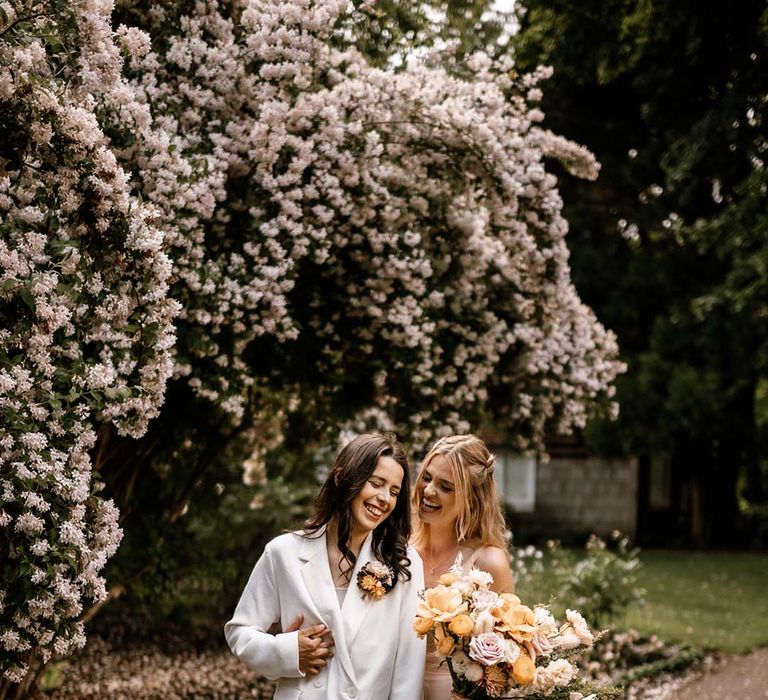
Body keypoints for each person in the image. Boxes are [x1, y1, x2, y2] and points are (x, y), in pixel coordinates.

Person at [225, 433, 426, 700]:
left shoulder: (404, 564)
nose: (384, 499)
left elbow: (408, 670)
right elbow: (240, 632)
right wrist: (288, 652)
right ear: (343, 478)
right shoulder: (283, 553)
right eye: (376, 484)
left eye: (394, 491)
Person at [411, 434, 515, 700]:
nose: (429, 490)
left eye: (446, 487)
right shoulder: (400, 548)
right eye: (427, 477)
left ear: (471, 498)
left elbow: (508, 656)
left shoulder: (488, 562)